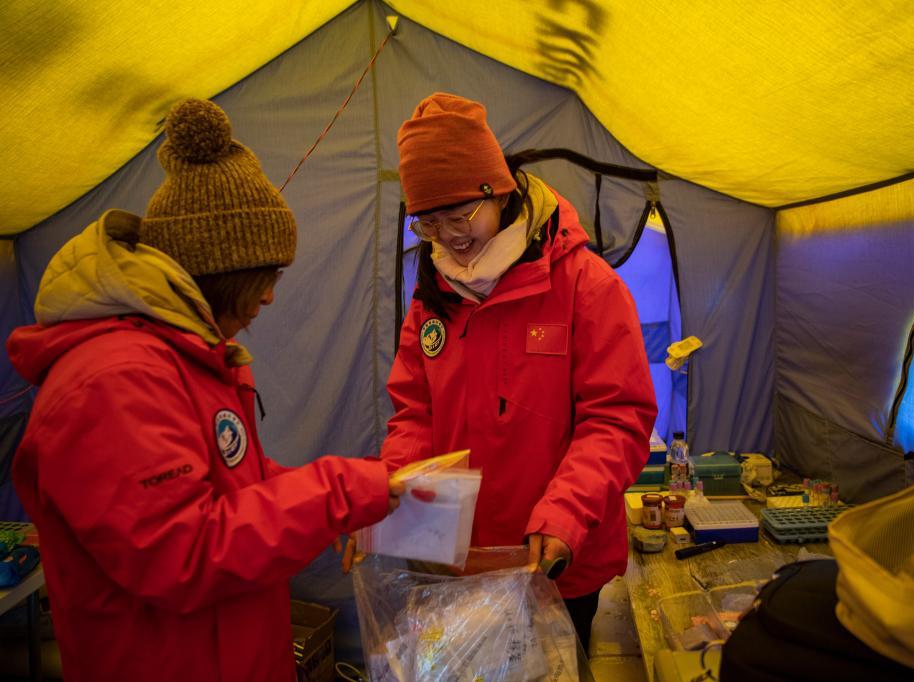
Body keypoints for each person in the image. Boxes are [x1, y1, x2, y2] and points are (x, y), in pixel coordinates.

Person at [6, 99, 402, 682]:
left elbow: (233, 480)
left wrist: (346, 499)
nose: (269, 296)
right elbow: (184, 552)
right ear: (223, 269)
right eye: (266, 276)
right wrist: (337, 494)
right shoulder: (113, 381)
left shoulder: (186, 356)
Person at [381, 92, 658, 650]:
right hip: (460, 559)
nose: (450, 237)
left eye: (460, 216)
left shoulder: (585, 285)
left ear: (498, 192)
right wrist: (386, 491)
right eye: (429, 223)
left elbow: (616, 419)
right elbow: (414, 413)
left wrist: (565, 514)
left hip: (554, 559)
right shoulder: (433, 297)